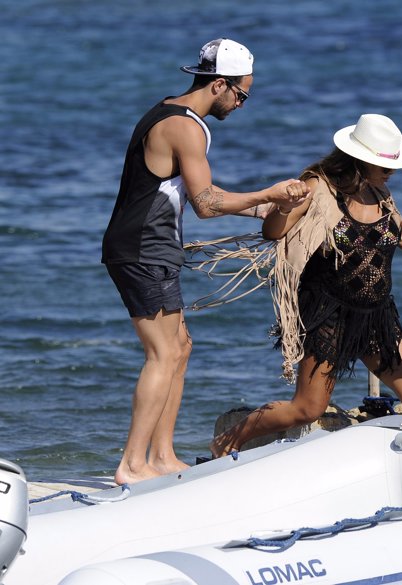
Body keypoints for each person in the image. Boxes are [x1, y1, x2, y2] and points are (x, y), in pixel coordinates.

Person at [101, 38, 310, 485]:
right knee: (163, 353)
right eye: (241, 94)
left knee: (181, 347)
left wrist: (265, 209)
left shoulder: (170, 110)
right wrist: (268, 192)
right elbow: (207, 205)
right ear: (219, 85)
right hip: (142, 249)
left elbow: (198, 193)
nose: (241, 104)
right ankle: (132, 465)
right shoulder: (185, 127)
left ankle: (162, 456)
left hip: (152, 246)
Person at [210, 114, 402, 457]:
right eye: (384, 164)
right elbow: (273, 231)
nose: (391, 171)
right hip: (329, 315)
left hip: (377, 315)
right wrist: (284, 207)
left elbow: (401, 233)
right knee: (306, 409)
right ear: (360, 159)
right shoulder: (317, 188)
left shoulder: (380, 191)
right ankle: (232, 436)